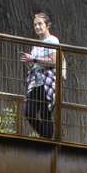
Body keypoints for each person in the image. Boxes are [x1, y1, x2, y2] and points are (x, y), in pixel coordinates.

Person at [23, 10, 62, 139]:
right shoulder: (36, 46)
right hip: (36, 82)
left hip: (47, 81)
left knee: (45, 113)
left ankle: (47, 141)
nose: (37, 27)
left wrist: (33, 60)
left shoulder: (52, 40)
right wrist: (29, 62)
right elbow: (35, 65)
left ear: (47, 25)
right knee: (29, 112)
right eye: (35, 25)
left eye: (40, 24)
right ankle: (46, 137)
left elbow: (54, 62)